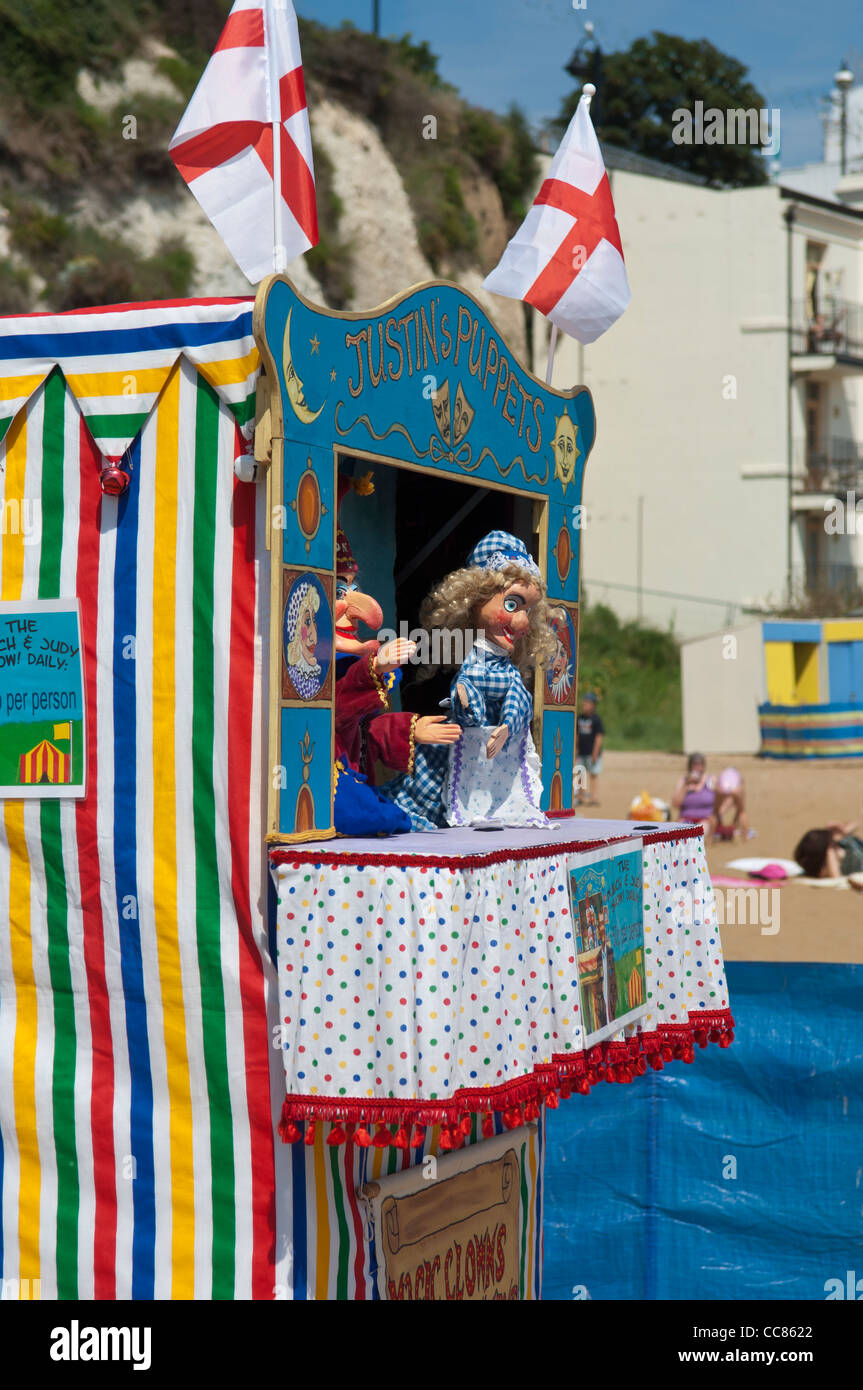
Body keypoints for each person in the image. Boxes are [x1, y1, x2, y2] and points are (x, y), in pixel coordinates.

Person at [380, 530, 556, 830]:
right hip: (464, 742)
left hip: (495, 753)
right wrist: (466, 699)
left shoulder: (506, 670)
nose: (523, 621)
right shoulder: (473, 662)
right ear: (473, 602)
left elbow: (517, 696)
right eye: (512, 605)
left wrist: (508, 724)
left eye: (527, 609)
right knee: (434, 785)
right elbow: (467, 687)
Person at [793, 823, 863, 885]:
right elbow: (836, 879)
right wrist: (830, 849)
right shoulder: (845, 866)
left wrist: (843, 829)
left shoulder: (843, 842)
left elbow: (855, 824)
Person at [671, 753, 717, 836]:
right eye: (694, 764)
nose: (697, 768)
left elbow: (721, 798)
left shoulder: (711, 780)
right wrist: (686, 786)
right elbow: (675, 804)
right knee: (681, 835)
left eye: (699, 764)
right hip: (686, 819)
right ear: (690, 766)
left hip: (705, 819)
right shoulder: (683, 781)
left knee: (698, 833)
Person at [575, 692, 604, 806]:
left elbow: (598, 737)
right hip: (581, 751)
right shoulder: (580, 718)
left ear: (593, 705)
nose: (584, 705)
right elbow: (577, 735)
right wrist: (576, 749)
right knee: (580, 774)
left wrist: (595, 753)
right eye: (584, 702)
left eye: (587, 703)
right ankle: (580, 796)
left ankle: (593, 797)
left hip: (592, 752)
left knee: (593, 774)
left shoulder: (596, 720)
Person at [714, 766, 754, 842]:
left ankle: (710, 839)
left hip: (723, 786)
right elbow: (739, 810)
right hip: (736, 788)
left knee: (715, 812)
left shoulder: (723, 774)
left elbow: (718, 785)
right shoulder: (737, 776)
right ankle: (745, 838)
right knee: (742, 811)